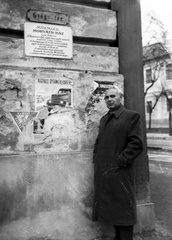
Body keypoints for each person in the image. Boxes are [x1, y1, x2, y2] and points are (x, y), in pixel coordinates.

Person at [92, 87, 143, 240]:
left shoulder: (131, 117)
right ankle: (117, 237)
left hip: (121, 171)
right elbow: (99, 142)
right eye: (106, 97)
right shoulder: (104, 119)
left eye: (112, 96)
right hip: (105, 172)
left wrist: (119, 161)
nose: (109, 99)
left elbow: (136, 144)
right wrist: (97, 160)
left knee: (123, 208)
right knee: (112, 207)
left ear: (120, 97)